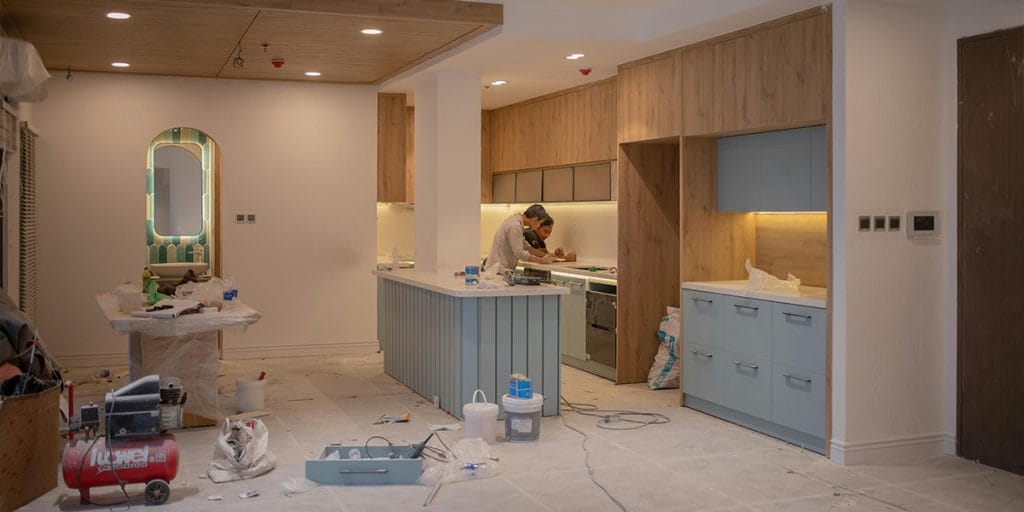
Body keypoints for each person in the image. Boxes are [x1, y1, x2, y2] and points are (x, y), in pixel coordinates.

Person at [485, 204, 556, 272]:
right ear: (535, 219)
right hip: (499, 269)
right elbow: (519, 253)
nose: (538, 226)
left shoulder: (516, 222)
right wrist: (541, 261)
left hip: (500, 269)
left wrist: (545, 256)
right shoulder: (515, 225)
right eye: (539, 224)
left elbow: (525, 246)